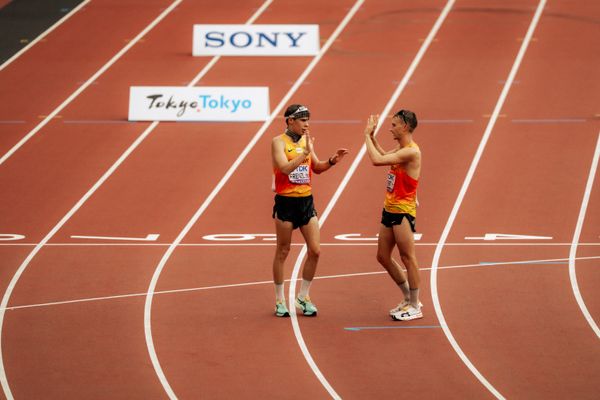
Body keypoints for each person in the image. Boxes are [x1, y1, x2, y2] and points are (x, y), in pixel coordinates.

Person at [271, 104, 348, 317]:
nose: (307, 124)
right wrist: (303, 153)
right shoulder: (278, 142)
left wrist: (332, 161)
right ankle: (279, 300)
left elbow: (316, 167)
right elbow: (284, 168)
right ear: (290, 121)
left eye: (308, 119)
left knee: (315, 250)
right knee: (283, 251)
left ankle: (303, 297)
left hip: (306, 202)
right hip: (286, 203)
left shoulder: (306, 141)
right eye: (302, 120)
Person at [364, 110, 423, 321]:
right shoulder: (400, 148)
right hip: (389, 208)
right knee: (382, 256)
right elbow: (385, 155)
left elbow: (376, 160)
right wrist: (372, 137)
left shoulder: (412, 152)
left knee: (408, 258)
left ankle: (415, 305)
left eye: (394, 125)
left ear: (405, 127)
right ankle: (408, 297)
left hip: (403, 212)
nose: (391, 128)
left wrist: (365, 136)